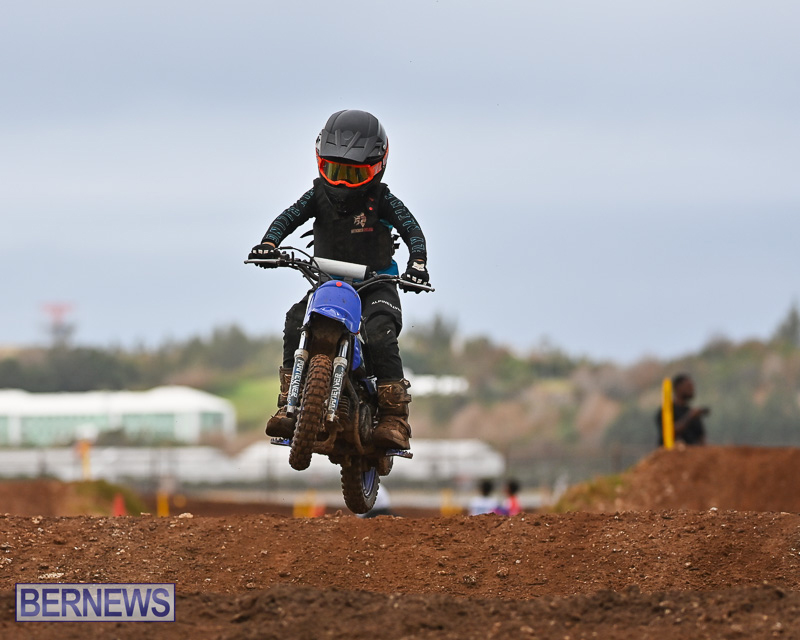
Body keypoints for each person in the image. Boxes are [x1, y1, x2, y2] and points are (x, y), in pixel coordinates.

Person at [248, 110, 430, 450]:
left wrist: (417, 263)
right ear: (320, 162)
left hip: (377, 283)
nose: (342, 184)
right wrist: (269, 244)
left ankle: (394, 418)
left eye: (353, 174)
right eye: (335, 171)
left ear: (377, 167)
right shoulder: (316, 195)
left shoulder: (383, 200)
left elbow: (411, 229)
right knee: (295, 319)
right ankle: (288, 402)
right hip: (327, 281)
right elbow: (289, 217)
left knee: (380, 331)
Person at [654, 373, 709, 446]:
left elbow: (701, 439)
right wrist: (690, 417)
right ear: (678, 388)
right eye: (688, 386)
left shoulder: (693, 413)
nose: (692, 389)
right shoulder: (666, 412)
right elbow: (669, 433)